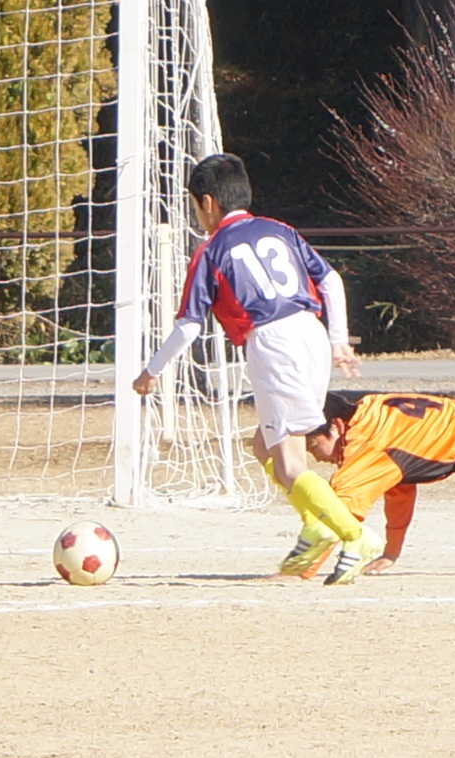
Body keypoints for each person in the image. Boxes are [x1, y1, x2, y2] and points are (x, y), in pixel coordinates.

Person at [130, 153, 380, 585]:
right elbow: (331, 280)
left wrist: (150, 371)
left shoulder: (211, 250)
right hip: (312, 333)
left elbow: (189, 326)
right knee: (263, 446)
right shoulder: (280, 229)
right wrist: (338, 337)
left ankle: (355, 537)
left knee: (289, 465)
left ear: (207, 202)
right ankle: (317, 524)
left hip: (273, 343)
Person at [299, 391, 455, 575]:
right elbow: (399, 493)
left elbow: (338, 511)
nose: (317, 458)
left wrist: (302, 569)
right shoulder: (371, 410)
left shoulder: (367, 442)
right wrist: (390, 554)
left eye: (314, 446)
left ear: (336, 426)